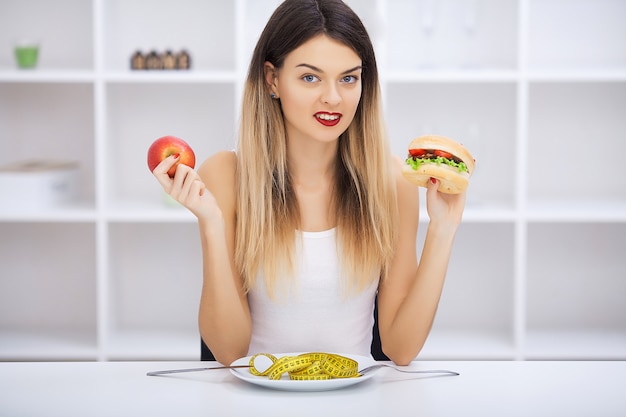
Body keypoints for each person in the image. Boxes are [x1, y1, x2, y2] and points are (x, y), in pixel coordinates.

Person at [152, 0, 466, 366]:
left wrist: (443, 230)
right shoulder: (226, 175)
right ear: (273, 79)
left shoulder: (391, 182)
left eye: (348, 78)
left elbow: (401, 348)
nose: (333, 97)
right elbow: (228, 351)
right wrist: (211, 224)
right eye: (310, 77)